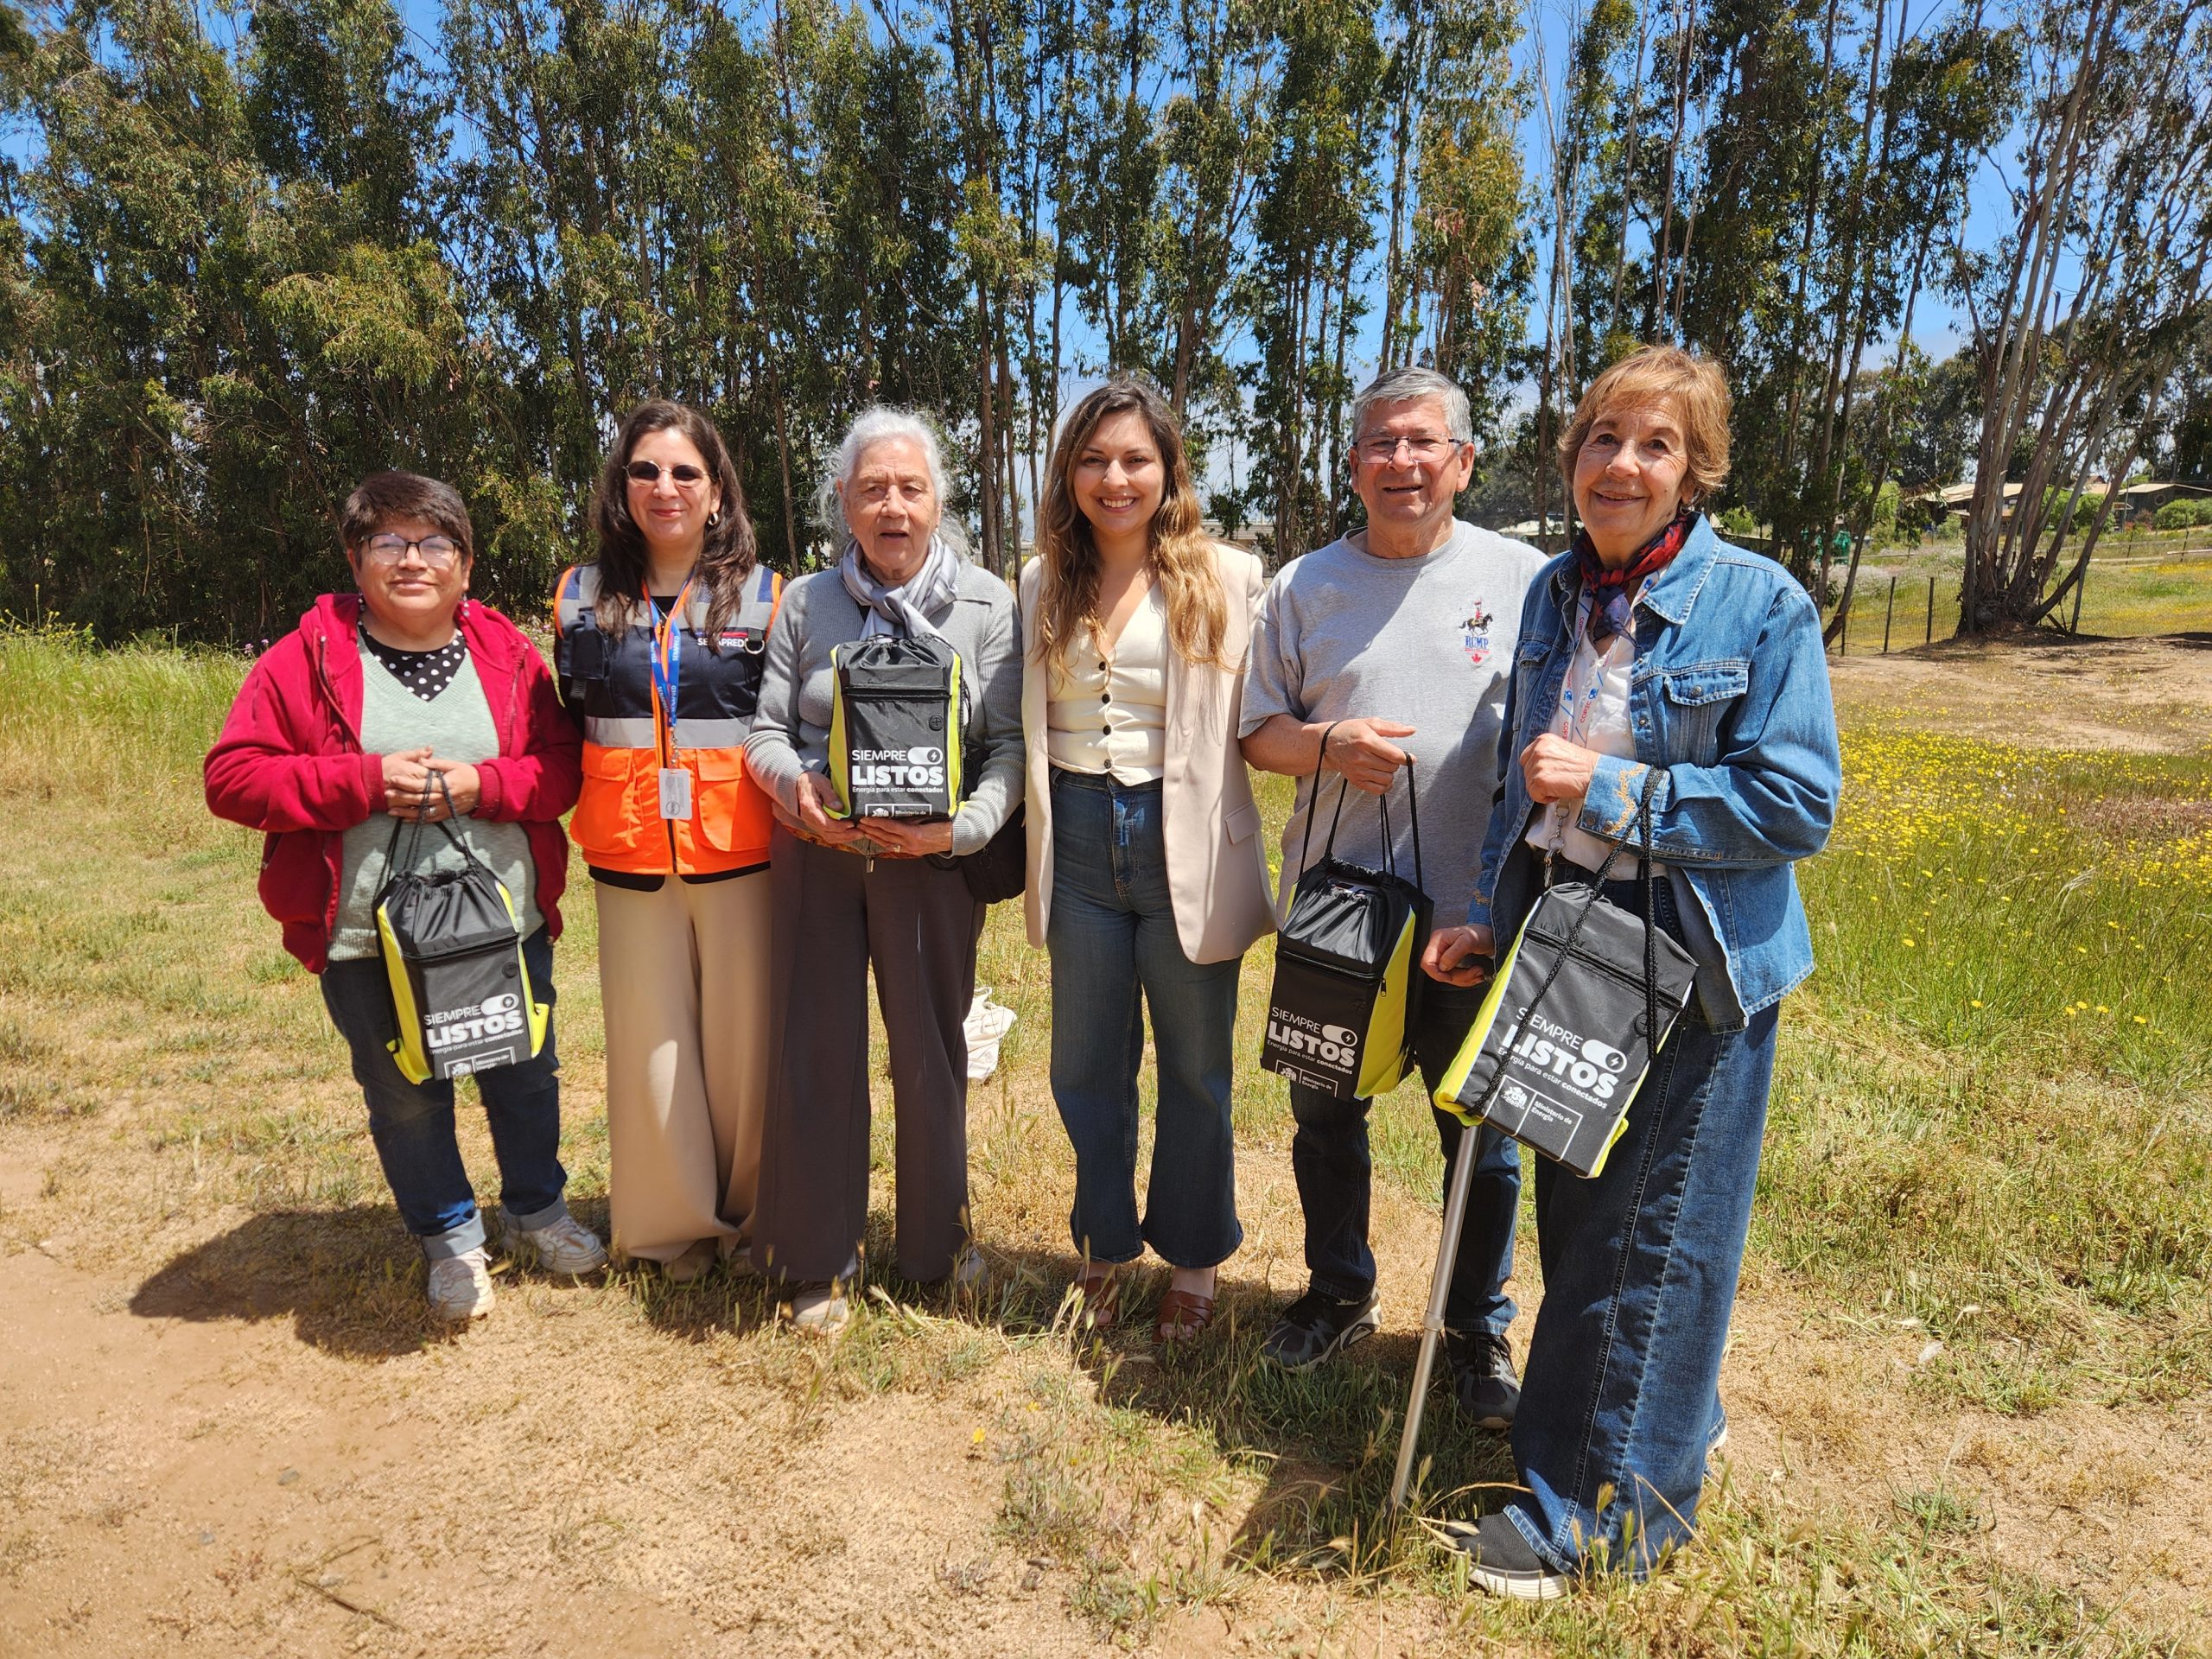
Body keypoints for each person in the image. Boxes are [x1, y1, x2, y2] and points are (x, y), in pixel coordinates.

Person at [1424, 346, 1840, 1595]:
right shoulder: (1555, 593)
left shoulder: (1759, 604)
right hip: (1566, 929)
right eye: (1603, 438)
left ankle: (1603, 1519)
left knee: (1651, 1239)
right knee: (1581, 1214)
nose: (1622, 464)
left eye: (1656, 445)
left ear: (1694, 470)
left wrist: (1612, 787)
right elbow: (1518, 781)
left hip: (1687, 948)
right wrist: (1492, 912)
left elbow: (1796, 802)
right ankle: (1663, 1421)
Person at [206, 471, 603, 1321]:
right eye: (388, 541)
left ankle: (538, 1211)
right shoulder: (304, 659)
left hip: (500, 923)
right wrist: (361, 781)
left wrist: (483, 785)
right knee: (404, 1094)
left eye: (434, 543)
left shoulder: (508, 655)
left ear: (465, 564)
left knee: (525, 1072)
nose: (412, 560)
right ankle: (450, 1238)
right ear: (357, 560)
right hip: (366, 935)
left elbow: (562, 769)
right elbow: (232, 778)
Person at [1240, 366, 1545, 1424]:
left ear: (1463, 462)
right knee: (1325, 1115)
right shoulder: (1302, 587)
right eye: (1381, 443)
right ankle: (1339, 1291)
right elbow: (1257, 734)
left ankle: (1474, 1327)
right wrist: (1328, 743)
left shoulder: (1526, 581)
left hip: (1473, 915)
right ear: (1354, 463)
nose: (1401, 462)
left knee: (1480, 1138)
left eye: (1423, 443)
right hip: (1338, 920)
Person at [744, 409, 1023, 1333]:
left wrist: (962, 831)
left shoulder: (987, 604)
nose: (892, 507)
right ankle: (818, 1259)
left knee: (932, 1056)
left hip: (930, 869)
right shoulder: (805, 602)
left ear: (939, 498)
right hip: (819, 858)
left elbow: (1008, 746)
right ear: (844, 501)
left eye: (910, 488)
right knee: (817, 1053)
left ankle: (936, 1247)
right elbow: (765, 732)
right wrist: (795, 788)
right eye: (873, 489)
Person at [1020, 380, 1274, 1345]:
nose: (1114, 478)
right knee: (1086, 1065)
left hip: (1186, 842)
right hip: (1078, 838)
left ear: (1168, 469)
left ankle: (1194, 1262)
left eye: (1134, 459)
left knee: (1196, 1069)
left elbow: (1272, 707)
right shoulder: (1040, 581)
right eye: (1093, 460)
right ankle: (1101, 1249)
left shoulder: (1228, 577)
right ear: (1069, 474)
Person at [551, 400, 783, 1283]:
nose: (665, 487)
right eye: (645, 470)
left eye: (686, 472)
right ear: (622, 488)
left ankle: (756, 1220)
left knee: (745, 1049)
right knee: (651, 1049)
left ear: (717, 492)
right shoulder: (578, 596)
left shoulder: (770, 597)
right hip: (629, 854)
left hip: (741, 851)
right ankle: (669, 1228)